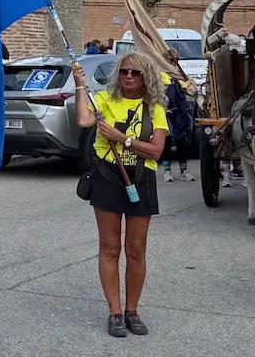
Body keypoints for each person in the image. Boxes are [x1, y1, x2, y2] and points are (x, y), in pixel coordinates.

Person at [73, 53, 169, 337]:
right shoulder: (104, 100)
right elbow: (83, 120)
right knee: (110, 247)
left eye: (136, 73)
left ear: (146, 78)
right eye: (125, 71)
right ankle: (115, 312)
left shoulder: (155, 110)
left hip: (141, 179)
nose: (129, 76)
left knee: (136, 250)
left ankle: (132, 311)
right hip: (107, 177)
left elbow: (156, 151)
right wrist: (80, 84)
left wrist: (122, 138)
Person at [160, 49, 195, 183]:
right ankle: (167, 171)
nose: (175, 62)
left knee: (182, 141)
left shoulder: (180, 74)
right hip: (166, 112)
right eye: (172, 60)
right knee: (167, 142)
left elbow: (189, 89)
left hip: (180, 112)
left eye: (176, 59)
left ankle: (184, 170)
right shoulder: (161, 74)